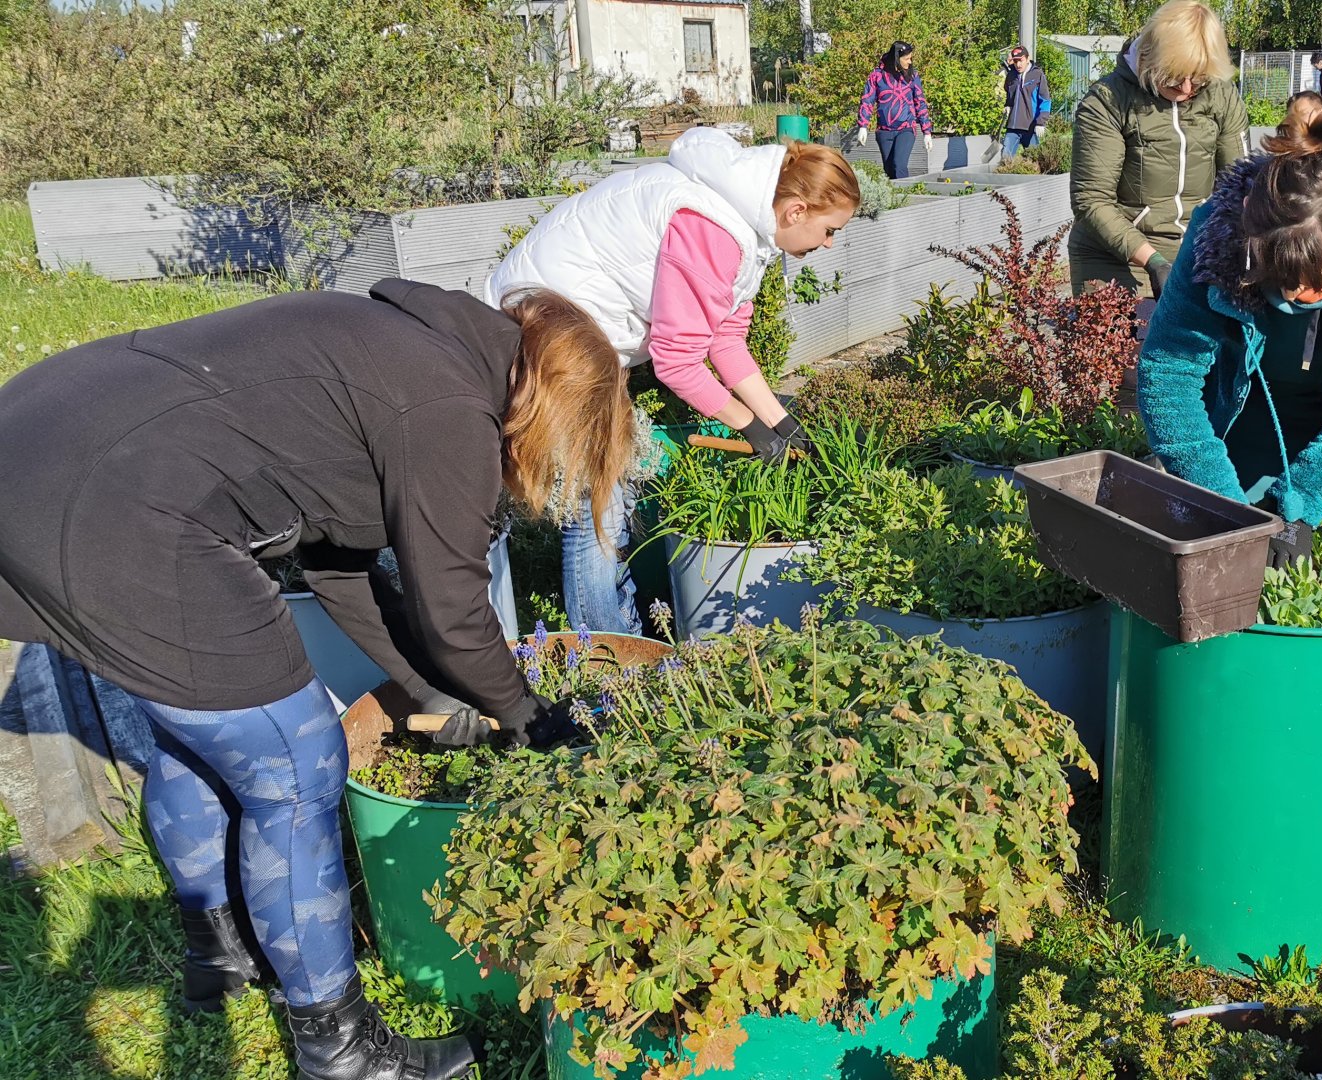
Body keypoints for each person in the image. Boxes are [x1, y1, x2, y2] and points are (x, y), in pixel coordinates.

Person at [0, 279, 629, 1079]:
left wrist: (436, 698)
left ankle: (222, 954)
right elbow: (454, 610)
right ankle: (340, 1049)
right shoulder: (444, 410)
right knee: (299, 767)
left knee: (197, 725)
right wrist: (529, 716)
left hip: (33, 452)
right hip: (125, 507)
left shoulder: (406, 345)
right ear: (550, 400)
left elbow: (343, 569)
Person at [486, 127, 860, 638]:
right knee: (599, 499)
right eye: (830, 229)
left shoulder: (747, 230)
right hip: (541, 337)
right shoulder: (713, 229)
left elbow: (724, 343)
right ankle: (606, 650)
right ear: (796, 211)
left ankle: (619, 633)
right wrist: (748, 426)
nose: (830, 243)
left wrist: (781, 421)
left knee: (608, 488)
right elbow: (677, 362)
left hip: (578, 339)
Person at [1136, 97, 1322, 524]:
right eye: (1280, 275)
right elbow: (1170, 371)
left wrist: (1307, 497)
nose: (1296, 295)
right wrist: (1223, 505)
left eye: (1320, 281)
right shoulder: (1214, 239)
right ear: (1246, 221)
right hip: (1245, 413)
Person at [1070, 0, 1250, 302]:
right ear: (1150, 57)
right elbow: (1091, 200)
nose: (1186, 87)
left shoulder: (1222, 95)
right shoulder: (1108, 101)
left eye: (1198, 77)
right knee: (1123, 347)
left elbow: (1239, 184)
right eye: (1175, 75)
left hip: (1196, 254)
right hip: (1117, 257)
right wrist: (1154, 261)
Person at [857, 40, 932, 179]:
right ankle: (894, 199)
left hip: (906, 128)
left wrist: (926, 131)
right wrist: (863, 126)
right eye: (907, 59)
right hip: (884, 130)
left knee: (899, 165)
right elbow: (867, 99)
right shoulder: (877, 76)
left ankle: (905, 195)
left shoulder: (912, 76)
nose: (910, 62)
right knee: (889, 169)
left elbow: (920, 102)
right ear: (897, 58)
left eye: (911, 58)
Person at [1002, 44, 1054, 160]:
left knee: (1035, 161)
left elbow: (1045, 100)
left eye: (1021, 61)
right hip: (1013, 127)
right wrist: (1008, 106)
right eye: (1015, 61)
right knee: (1005, 159)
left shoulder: (1037, 75)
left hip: (1030, 127)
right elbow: (1010, 96)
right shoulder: (1011, 76)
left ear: (1027, 58)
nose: (1018, 65)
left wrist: (1041, 122)